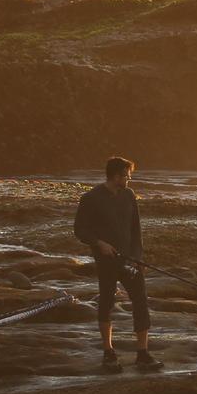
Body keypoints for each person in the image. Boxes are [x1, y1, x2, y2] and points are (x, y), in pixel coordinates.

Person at [73, 156, 162, 372]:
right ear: (115, 176)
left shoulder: (129, 195)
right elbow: (80, 230)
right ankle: (108, 352)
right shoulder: (91, 198)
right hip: (106, 261)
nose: (129, 179)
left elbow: (135, 229)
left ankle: (143, 353)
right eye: (126, 175)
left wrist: (139, 257)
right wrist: (99, 243)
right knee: (106, 303)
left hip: (130, 259)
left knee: (140, 301)